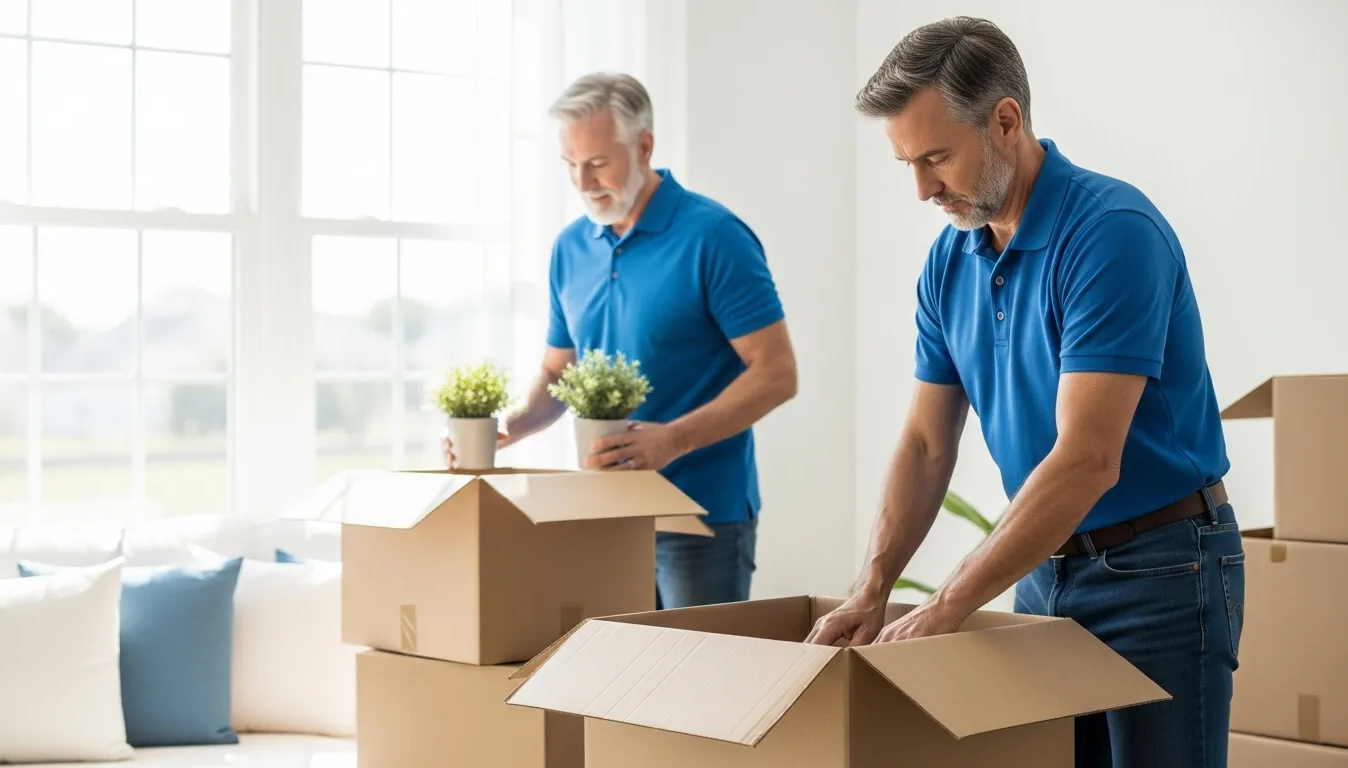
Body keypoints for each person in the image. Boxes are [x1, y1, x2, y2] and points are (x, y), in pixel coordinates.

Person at [807, 17, 1243, 768]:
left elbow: (1086, 459)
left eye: (937, 157)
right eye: (906, 162)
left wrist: (947, 605)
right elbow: (924, 441)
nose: (920, 189)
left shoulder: (1111, 234)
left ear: (1005, 121)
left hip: (1161, 572)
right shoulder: (950, 263)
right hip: (1043, 571)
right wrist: (874, 587)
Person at [443, 72, 798, 610]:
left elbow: (776, 373)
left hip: (701, 515)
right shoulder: (569, 249)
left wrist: (673, 439)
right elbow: (560, 373)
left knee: (695, 683)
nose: (584, 182)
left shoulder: (714, 237)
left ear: (645, 146)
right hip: (604, 514)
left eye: (598, 163)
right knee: (617, 684)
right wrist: (503, 429)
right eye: (571, 166)